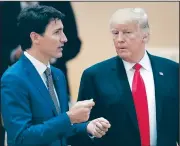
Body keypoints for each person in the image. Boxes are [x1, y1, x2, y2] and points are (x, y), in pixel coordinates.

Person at [1, 5, 111, 146]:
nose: (64, 39)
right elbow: (21, 138)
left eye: (63, 32)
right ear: (35, 37)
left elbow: (59, 127)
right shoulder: (13, 79)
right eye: (57, 32)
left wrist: (87, 127)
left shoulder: (57, 75)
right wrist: (69, 117)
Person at [72, 8, 179, 146]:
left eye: (127, 33)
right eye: (115, 33)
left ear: (145, 36)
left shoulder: (172, 71)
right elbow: (80, 129)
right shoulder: (95, 76)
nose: (119, 39)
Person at [0, 1, 81, 99]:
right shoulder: (4, 8)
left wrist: (49, 55)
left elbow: (73, 44)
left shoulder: (60, 3)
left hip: (55, 85)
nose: (63, 39)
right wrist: (13, 54)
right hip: (16, 85)